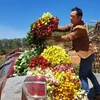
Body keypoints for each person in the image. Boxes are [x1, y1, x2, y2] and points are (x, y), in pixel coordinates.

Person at [46, 7, 100, 100]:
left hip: (87, 54)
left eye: (73, 16)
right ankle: (98, 92)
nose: (70, 18)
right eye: (70, 16)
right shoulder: (74, 24)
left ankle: (85, 96)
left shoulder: (80, 28)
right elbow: (64, 28)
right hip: (87, 53)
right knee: (89, 73)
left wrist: (51, 38)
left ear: (79, 17)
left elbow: (68, 37)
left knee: (82, 76)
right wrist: (52, 27)